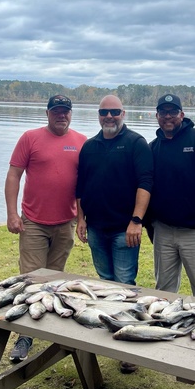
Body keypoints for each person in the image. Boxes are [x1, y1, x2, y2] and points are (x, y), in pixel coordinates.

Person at [4, 94, 87, 362]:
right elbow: (14, 175)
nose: (61, 115)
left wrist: (81, 219)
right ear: (47, 113)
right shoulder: (30, 138)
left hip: (65, 224)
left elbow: (82, 187)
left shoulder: (81, 142)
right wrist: (12, 213)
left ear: (71, 114)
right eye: (56, 111)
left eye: (65, 111)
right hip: (34, 223)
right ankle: (25, 336)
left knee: (54, 279)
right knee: (31, 280)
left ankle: (49, 325)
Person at [148, 94, 195, 298]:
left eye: (173, 111)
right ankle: (164, 326)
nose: (168, 116)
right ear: (157, 116)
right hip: (163, 231)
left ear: (182, 114)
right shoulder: (153, 147)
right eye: (163, 112)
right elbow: (147, 188)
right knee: (164, 290)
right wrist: (150, 225)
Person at [76, 95, 153, 286]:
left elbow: (145, 183)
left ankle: (125, 316)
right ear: (99, 115)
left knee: (124, 282)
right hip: (95, 228)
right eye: (104, 112)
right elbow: (81, 186)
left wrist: (136, 221)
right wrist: (80, 219)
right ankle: (108, 315)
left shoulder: (136, 143)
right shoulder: (89, 146)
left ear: (123, 114)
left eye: (115, 112)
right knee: (104, 281)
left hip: (124, 230)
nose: (109, 116)